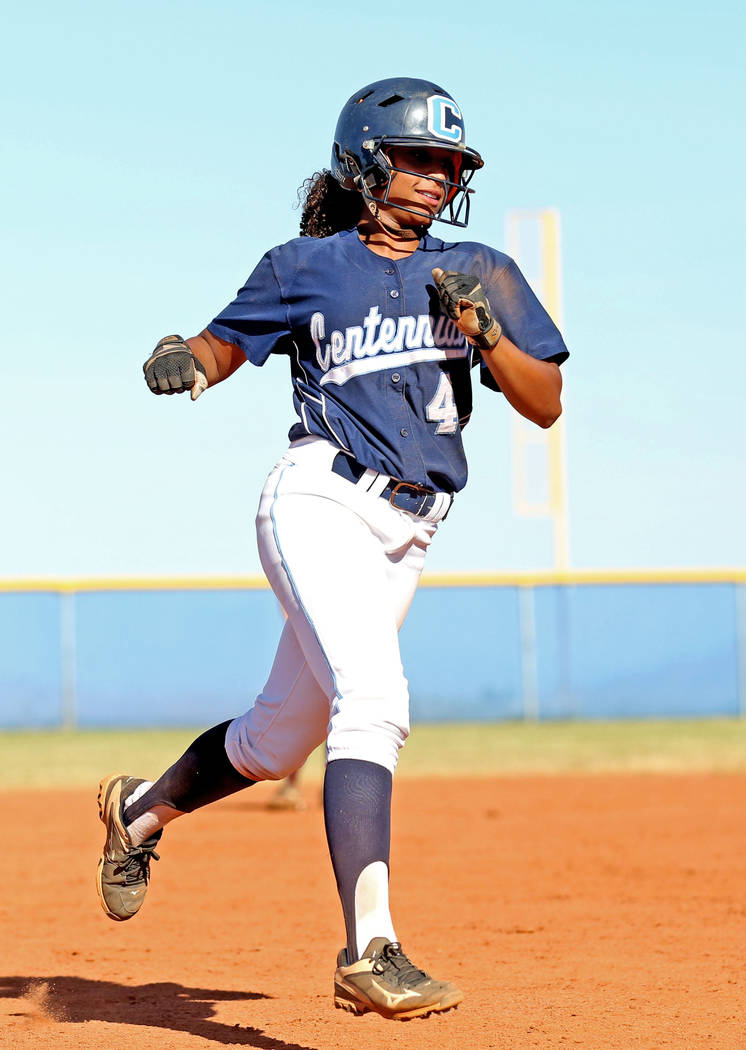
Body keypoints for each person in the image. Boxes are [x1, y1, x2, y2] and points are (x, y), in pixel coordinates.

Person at [96, 76, 568, 1021]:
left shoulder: (484, 269)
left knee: (276, 742)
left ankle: (135, 813)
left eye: (450, 163)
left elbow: (545, 402)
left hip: (409, 530)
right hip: (317, 498)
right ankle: (372, 948)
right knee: (377, 699)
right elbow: (227, 343)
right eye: (419, 158)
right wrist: (189, 358)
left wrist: (483, 330)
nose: (438, 177)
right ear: (364, 163)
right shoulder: (306, 264)